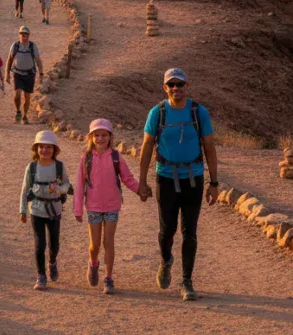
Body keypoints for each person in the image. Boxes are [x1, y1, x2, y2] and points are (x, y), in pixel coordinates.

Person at [137, 68, 219, 302]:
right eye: (171, 85)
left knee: (190, 232)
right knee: (167, 230)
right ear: (165, 88)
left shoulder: (198, 112)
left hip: (193, 178)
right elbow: (146, 148)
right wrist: (142, 182)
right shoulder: (158, 113)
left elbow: (210, 148)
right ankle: (165, 260)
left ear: (186, 86)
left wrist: (214, 183)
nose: (176, 89)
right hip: (165, 177)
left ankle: (186, 281)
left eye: (180, 85)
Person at [74, 118, 141, 295]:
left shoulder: (116, 157)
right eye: (97, 135)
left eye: (104, 135)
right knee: (94, 245)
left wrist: (140, 190)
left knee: (108, 242)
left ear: (110, 137)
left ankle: (108, 278)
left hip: (112, 206)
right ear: (91, 137)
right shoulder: (86, 158)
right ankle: (93, 263)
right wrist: (78, 209)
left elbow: (127, 178)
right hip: (93, 206)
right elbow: (80, 184)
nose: (100, 138)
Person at [20, 130, 71, 291]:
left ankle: (52, 262)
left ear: (54, 150)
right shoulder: (32, 167)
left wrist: (59, 189)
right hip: (36, 209)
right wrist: (22, 210)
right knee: (39, 243)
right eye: (42, 147)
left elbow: (67, 185)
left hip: (54, 210)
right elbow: (25, 188)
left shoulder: (59, 166)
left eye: (49, 147)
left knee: (54, 243)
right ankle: (41, 275)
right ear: (36, 149)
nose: (45, 150)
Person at [6, 26, 43, 124]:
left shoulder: (32, 46)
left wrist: (41, 73)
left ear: (29, 36)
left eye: (26, 35)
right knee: (17, 94)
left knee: (27, 96)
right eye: (22, 35)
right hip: (17, 73)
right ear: (19, 35)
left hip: (30, 74)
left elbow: (38, 60)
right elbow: (9, 60)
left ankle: (25, 115)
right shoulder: (15, 46)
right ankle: (18, 111)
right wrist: (7, 74)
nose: (24, 37)